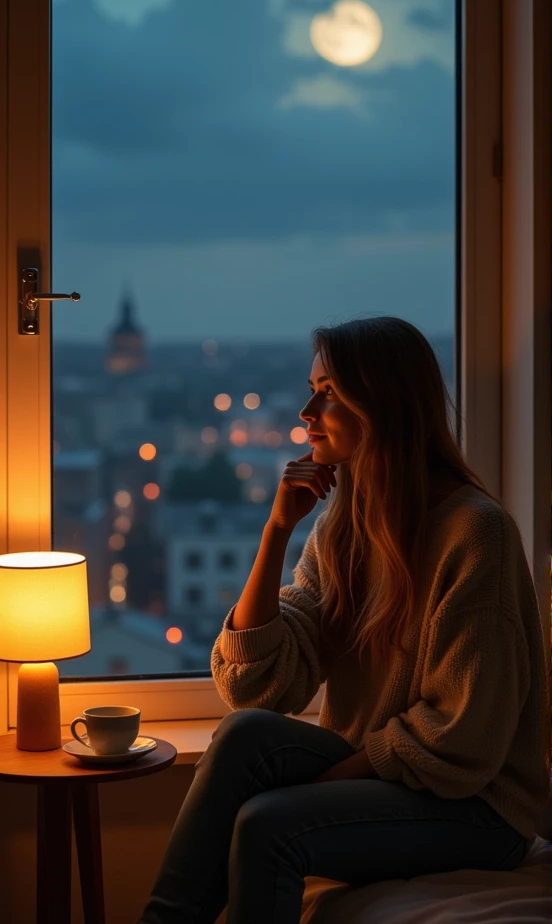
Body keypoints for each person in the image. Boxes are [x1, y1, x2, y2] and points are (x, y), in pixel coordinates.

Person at [139, 316, 550, 924]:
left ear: (384, 404)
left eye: (328, 392)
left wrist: (326, 779)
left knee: (267, 825)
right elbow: (259, 686)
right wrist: (278, 531)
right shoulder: (345, 527)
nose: (306, 409)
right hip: (390, 775)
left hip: (480, 808)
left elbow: (460, 738)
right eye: (312, 387)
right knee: (241, 734)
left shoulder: (476, 534)